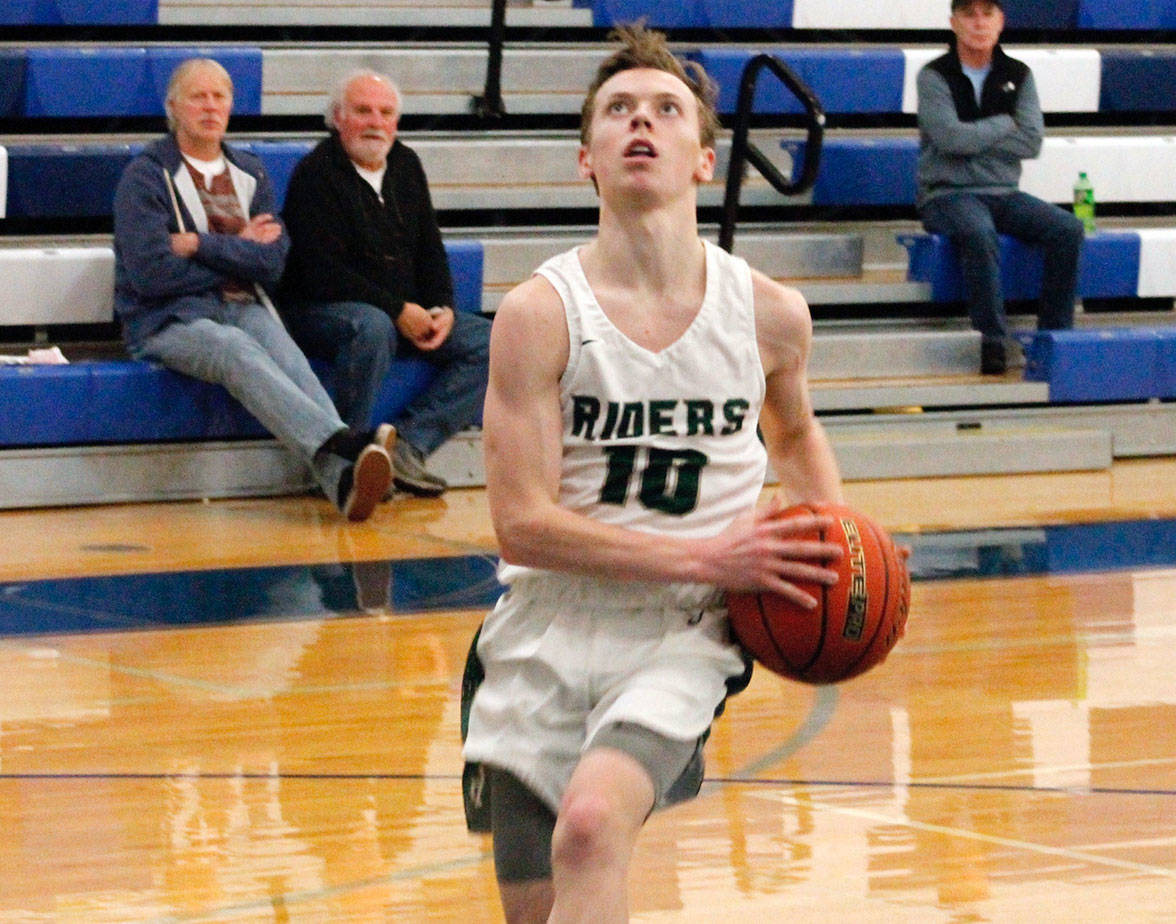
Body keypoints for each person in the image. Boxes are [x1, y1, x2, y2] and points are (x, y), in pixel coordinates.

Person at [460, 25, 849, 924]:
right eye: (619, 110)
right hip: (544, 628)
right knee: (537, 908)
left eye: (667, 110)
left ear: (705, 159)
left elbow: (794, 435)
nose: (642, 121)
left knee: (590, 828)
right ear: (586, 160)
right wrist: (711, 555)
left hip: (683, 628)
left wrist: (841, 544)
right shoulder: (539, 315)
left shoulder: (771, 315)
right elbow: (522, 525)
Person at [112, 57, 394, 521]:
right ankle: (344, 442)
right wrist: (238, 250)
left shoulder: (249, 171)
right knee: (232, 348)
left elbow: (272, 263)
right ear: (173, 108)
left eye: (219, 96)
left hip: (244, 305)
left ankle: (343, 485)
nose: (210, 106)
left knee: (290, 360)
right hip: (166, 319)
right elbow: (152, 275)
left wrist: (199, 244)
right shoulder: (146, 176)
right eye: (198, 97)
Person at [279, 70, 491, 498]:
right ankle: (343, 462)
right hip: (319, 311)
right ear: (338, 118)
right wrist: (397, 310)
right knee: (371, 327)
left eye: (386, 113)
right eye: (363, 111)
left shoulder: (406, 164)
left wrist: (442, 308)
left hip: (398, 311)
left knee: (494, 342)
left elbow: (430, 248)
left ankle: (406, 447)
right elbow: (322, 273)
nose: (375, 122)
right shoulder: (315, 173)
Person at [916, 0, 1084, 374]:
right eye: (969, 14)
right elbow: (950, 139)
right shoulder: (934, 76)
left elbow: (1031, 142)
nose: (979, 23)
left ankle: (1053, 340)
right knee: (979, 232)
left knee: (1068, 229)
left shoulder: (1018, 74)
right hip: (946, 194)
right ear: (953, 23)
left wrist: (974, 137)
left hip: (1003, 192)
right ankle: (991, 342)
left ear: (1001, 21)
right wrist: (1003, 124)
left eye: (987, 13)